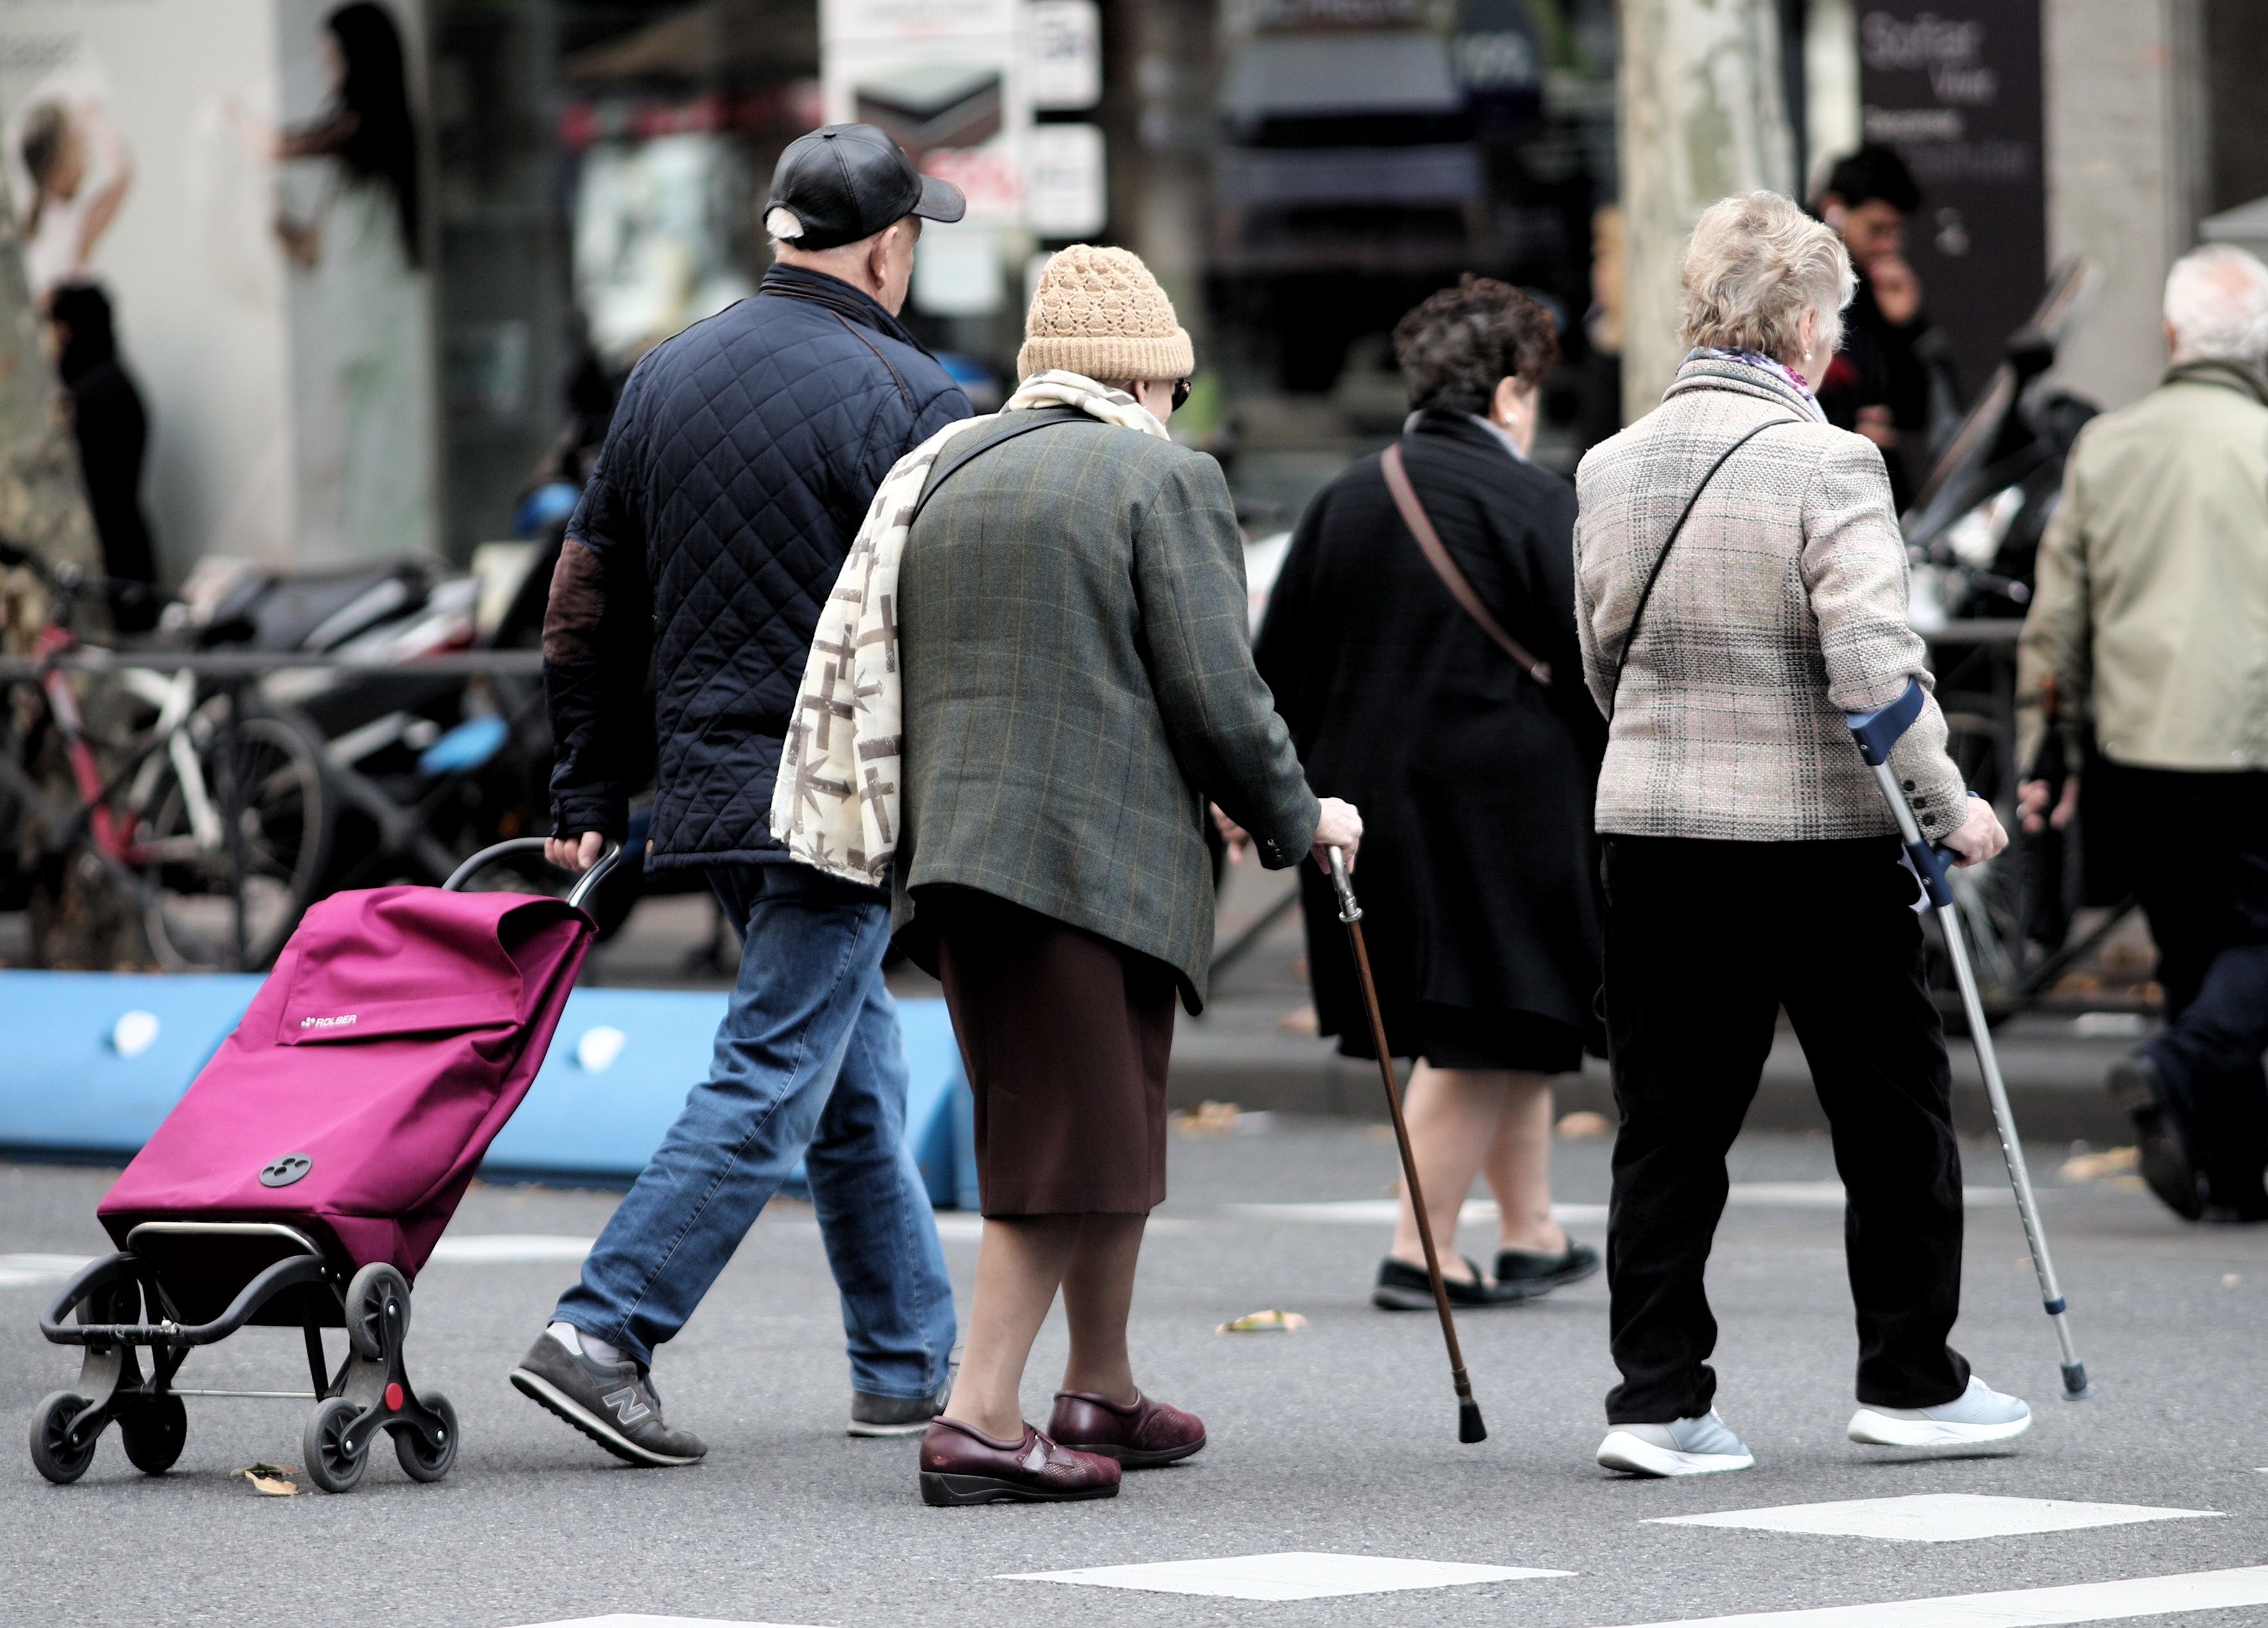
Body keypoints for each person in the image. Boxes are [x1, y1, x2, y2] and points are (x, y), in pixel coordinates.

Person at [845, 245, 1357, 1505]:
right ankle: (976, 1417)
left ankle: (1103, 1386)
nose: (1177, 406)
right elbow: (1214, 688)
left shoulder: (951, 469)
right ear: (1142, 374)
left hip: (961, 853)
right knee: (1060, 1144)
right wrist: (1299, 813)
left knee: (1099, 1127)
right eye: (1173, 383)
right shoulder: (1157, 474)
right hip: (1087, 860)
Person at [515, 124, 972, 1466]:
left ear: (778, 235)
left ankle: (905, 1364)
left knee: (849, 1075)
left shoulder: (665, 374)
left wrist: (587, 782)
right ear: (887, 246)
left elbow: (582, 596)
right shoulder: (914, 395)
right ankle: (603, 1330)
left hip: (707, 787)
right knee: (776, 1068)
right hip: (836, 788)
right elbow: (936, 620)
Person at [1573, 190, 2024, 1478]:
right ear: (1804, 324)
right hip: (1819, 839)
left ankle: (1654, 1398)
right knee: (1889, 1115)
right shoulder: (1829, 462)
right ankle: (1906, 1375)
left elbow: (1599, 659)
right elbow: (1873, 669)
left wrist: (1662, 745)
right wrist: (1952, 804)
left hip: (1655, 832)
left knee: (1665, 1127)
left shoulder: (1608, 464)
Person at [1254, 277, 1603, 1312]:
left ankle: (1532, 1229)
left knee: (1516, 1017)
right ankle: (1422, 1248)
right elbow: (1592, 670)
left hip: (1363, 816)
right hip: (1508, 816)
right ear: (1506, 396)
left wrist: (1260, 796)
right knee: (1487, 1025)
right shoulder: (1543, 503)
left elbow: (1276, 668)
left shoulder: (1344, 496)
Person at [2017, 244, 2268, 1224]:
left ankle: (2231, 1169)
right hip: (2250, 739)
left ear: (2170, 337)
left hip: (2132, 745)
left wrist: (2054, 738)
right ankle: (2176, 1066)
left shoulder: (2106, 445)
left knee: (2190, 948)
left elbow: (2057, 617)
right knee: (2254, 938)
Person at [1810, 144, 1948, 507]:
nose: (1889, 246)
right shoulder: (1792, 281)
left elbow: (1913, 413)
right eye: (1878, 229)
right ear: (1834, 210)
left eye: (1898, 233)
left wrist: (1905, 327)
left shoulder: (1877, 285)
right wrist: (1847, 427)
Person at [49, 283, 157, 631]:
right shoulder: (112, 380)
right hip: (125, 558)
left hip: (110, 567)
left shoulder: (93, 393)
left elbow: (102, 485)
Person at [18, 100, 132, 305]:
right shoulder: (74, 222)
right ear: (57, 170)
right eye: (77, 142)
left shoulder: (37, 220)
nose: (86, 149)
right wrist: (96, 122)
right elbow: (123, 175)